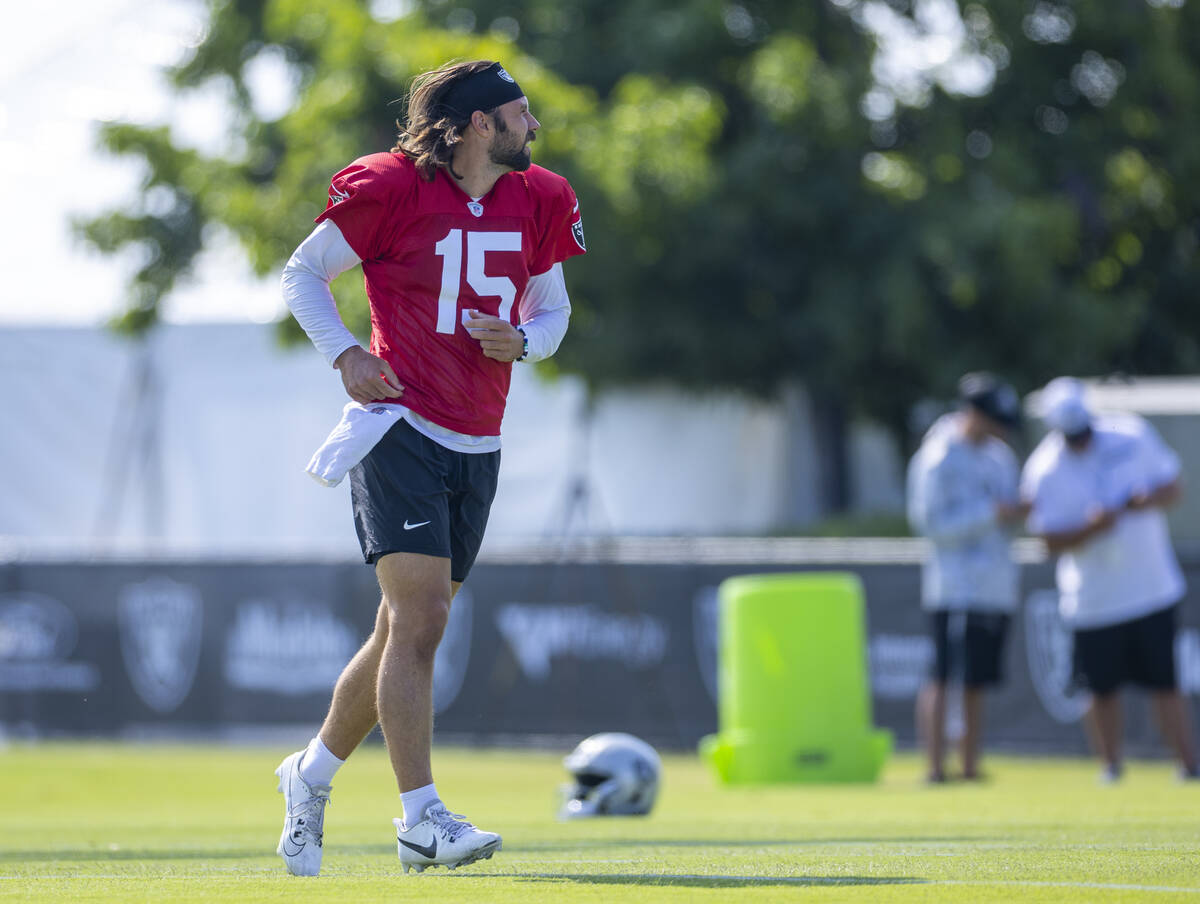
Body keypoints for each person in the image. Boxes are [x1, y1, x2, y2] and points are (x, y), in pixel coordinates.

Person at [274, 59, 586, 876]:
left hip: (479, 437)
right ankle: (421, 820)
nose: (534, 127)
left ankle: (309, 774)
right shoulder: (391, 187)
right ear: (481, 123)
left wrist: (525, 341)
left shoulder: (540, 197)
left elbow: (552, 310)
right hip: (400, 424)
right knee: (421, 625)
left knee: (396, 633)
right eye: (521, 113)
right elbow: (302, 273)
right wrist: (344, 353)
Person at [1021, 377, 1199, 783]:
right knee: (1100, 689)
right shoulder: (1044, 469)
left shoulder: (1131, 434)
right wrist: (1091, 529)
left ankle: (1189, 765)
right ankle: (1110, 766)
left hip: (1152, 587)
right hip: (1093, 599)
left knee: (1166, 683)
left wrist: (1145, 499)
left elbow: (1174, 487)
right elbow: (1045, 540)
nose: (1080, 441)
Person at [907, 372, 1026, 783]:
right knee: (942, 675)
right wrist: (990, 515)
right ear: (974, 414)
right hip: (952, 585)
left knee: (976, 679)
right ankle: (936, 766)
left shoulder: (1000, 458)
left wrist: (1012, 516)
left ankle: (970, 764)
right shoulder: (938, 456)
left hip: (993, 584)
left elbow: (1009, 516)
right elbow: (929, 524)